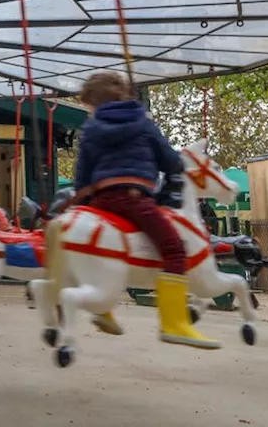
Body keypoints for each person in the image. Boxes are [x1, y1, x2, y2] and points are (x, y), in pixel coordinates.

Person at [73, 71, 219, 350]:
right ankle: (174, 323)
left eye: (89, 106)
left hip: (103, 201)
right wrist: (166, 186)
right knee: (175, 249)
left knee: (105, 249)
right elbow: (171, 162)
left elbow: (83, 175)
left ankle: (102, 307)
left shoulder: (91, 128)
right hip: (135, 199)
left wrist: (82, 207)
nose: (90, 111)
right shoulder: (142, 123)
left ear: (95, 102)